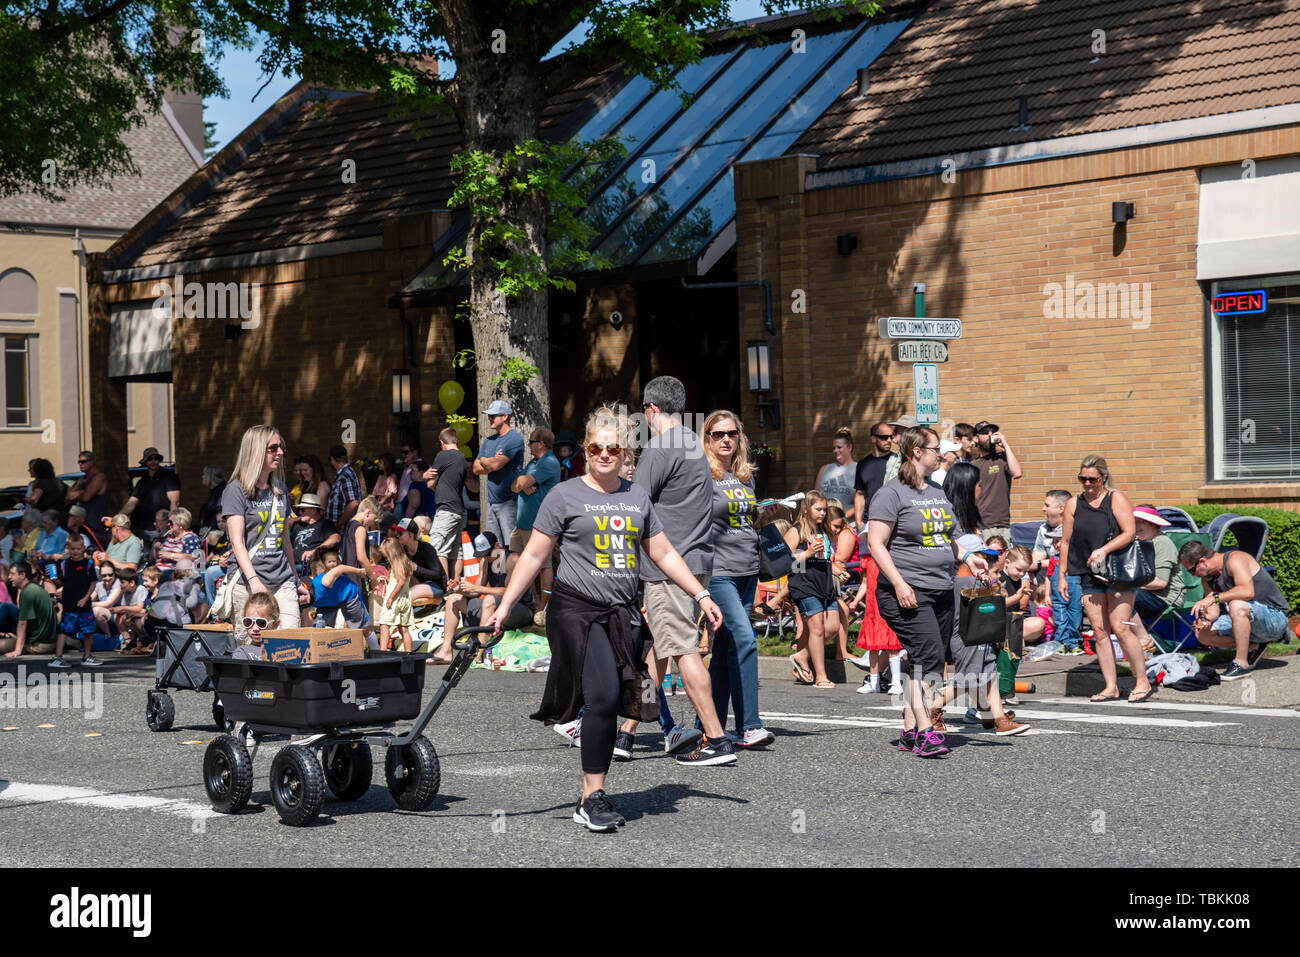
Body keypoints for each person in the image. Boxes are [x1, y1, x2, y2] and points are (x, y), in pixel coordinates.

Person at [485, 406, 725, 832]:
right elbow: (535, 555)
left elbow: (664, 552)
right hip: (575, 609)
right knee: (603, 694)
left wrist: (700, 592)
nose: (604, 454)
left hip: (619, 613)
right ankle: (592, 796)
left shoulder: (637, 497)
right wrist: (504, 606)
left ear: (624, 450)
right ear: (585, 449)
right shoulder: (564, 495)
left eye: (613, 447)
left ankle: (589, 791)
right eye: (596, 447)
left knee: (612, 699)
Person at [621, 375, 734, 764]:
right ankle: (627, 731)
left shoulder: (657, 449)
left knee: (683, 650)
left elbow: (634, 506)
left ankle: (717, 740)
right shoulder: (692, 445)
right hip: (698, 561)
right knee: (660, 651)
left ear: (651, 408)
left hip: (669, 565)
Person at [867, 426, 991, 758]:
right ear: (917, 452)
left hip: (940, 588)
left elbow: (944, 537)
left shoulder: (937, 491)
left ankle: (909, 728)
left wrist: (968, 557)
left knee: (925, 661)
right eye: (936, 449)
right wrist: (899, 583)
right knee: (930, 658)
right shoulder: (891, 494)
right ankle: (925, 731)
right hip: (906, 591)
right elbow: (876, 544)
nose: (942, 454)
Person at [932, 462, 1028, 735]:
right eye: (977, 485)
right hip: (964, 590)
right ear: (966, 487)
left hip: (973, 587)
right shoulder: (949, 518)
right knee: (974, 659)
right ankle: (932, 706)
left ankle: (995, 717)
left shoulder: (965, 519)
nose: (981, 489)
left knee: (984, 658)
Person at [700, 409, 775, 747]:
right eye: (718, 434)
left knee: (727, 647)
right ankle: (750, 725)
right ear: (708, 439)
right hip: (718, 573)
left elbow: (746, 523)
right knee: (745, 639)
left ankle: (712, 725)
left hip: (747, 570)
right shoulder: (702, 475)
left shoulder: (745, 476)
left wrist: (764, 516)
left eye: (732, 433)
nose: (726, 439)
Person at [1057, 454, 1152, 703]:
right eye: (1082, 479)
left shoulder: (1115, 498)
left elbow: (1129, 532)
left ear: (1103, 477)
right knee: (1099, 631)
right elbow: (1065, 542)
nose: (1087, 484)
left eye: (1092, 479)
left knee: (1120, 627)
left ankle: (1142, 681)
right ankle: (1110, 686)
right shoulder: (1073, 504)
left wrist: (1104, 549)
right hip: (1088, 571)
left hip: (1118, 571)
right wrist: (1061, 576)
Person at [222, 424, 301, 641]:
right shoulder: (236, 491)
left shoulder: (281, 489)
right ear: (256, 450)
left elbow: (284, 539)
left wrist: (295, 578)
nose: (280, 453)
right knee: (252, 649)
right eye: (273, 448)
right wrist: (254, 581)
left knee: (290, 643)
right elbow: (237, 543)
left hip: (282, 578)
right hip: (247, 582)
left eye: (280, 447)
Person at [1180, 539, 1289, 680]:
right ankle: (1254, 646)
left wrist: (1215, 597)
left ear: (1203, 561)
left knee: (1237, 605)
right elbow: (1213, 609)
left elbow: (1247, 592)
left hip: (1274, 619)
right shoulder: (1207, 578)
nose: (1192, 575)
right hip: (1244, 617)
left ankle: (1241, 664)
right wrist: (1205, 620)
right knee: (1202, 635)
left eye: (1192, 570)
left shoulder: (1235, 559)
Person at [437, 531, 533, 661]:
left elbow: (510, 592)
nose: (486, 558)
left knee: (488, 600)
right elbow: (476, 592)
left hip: (520, 608)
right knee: (453, 599)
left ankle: (478, 653)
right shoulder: (485, 562)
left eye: (488, 553)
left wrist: (477, 588)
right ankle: (446, 650)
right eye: (483, 555)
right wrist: (460, 589)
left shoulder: (512, 559)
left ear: (497, 545)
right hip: (496, 607)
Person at [786, 490, 837, 688]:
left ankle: (802, 655)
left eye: (825, 509)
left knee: (832, 627)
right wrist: (807, 553)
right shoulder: (796, 530)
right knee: (816, 629)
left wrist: (835, 568)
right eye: (818, 509)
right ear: (806, 509)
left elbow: (825, 557)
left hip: (824, 582)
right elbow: (785, 561)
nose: (823, 513)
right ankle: (821, 677)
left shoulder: (822, 531)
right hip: (804, 583)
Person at [510, 427, 560, 598]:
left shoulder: (550, 462)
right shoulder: (533, 463)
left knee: (543, 565)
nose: (529, 445)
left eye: (531, 442)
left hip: (539, 523)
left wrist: (523, 484)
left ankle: (543, 604)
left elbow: (520, 483)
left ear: (541, 444)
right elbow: (514, 485)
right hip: (522, 524)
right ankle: (532, 600)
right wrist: (522, 485)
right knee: (520, 561)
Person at [475, 399, 526, 547]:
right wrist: (489, 461)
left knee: (512, 546)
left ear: (505, 416)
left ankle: (513, 571)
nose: (490, 418)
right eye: (489, 416)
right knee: (494, 547)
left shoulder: (514, 438)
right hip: (491, 502)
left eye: (493, 415)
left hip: (509, 502)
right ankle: (501, 571)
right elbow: (475, 468)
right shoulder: (488, 441)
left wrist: (485, 460)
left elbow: (496, 465)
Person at [48, 536, 102, 668]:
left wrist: (85, 598)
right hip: (69, 604)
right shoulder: (63, 564)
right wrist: (56, 584)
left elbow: (93, 583)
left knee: (88, 630)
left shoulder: (88, 564)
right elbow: (61, 581)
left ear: (83, 548)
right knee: (64, 630)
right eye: (72, 549)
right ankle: (58, 658)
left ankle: (87, 656)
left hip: (84, 604)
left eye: (78, 548)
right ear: (68, 549)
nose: (75, 551)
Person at [423, 428, 469, 580]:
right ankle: (455, 584)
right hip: (459, 510)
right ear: (457, 441)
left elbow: (430, 481)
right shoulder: (462, 458)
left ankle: (443, 587)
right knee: (456, 550)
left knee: (437, 548)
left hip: (446, 509)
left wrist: (424, 475)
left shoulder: (443, 455)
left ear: (442, 443)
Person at [1129, 505, 1185, 624]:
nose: (1135, 526)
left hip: (1164, 599)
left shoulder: (1162, 543)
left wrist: (1126, 584)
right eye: (1133, 522)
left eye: (1140, 522)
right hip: (1146, 593)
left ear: (1153, 524)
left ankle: (1143, 638)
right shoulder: (1139, 543)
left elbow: (1160, 582)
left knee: (1122, 595)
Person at [970, 421, 1023, 543]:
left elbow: (1017, 473)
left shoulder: (1002, 458)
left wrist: (1006, 445)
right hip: (981, 525)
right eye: (985, 432)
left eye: (992, 432)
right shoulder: (973, 465)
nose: (990, 435)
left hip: (1001, 523)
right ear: (976, 439)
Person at [2, 561, 59, 656]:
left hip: (41, 645)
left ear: (23, 575)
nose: (9, 577)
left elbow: (22, 623)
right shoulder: (33, 588)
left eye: (12, 574)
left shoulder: (28, 592)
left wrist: (17, 650)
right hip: (47, 641)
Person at [302, 550, 371, 630]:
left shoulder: (324, 582)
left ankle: (371, 641)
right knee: (319, 625)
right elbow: (305, 622)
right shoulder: (303, 602)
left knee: (362, 628)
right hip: (328, 601)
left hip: (348, 595)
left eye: (333, 561)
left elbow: (340, 568)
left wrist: (359, 571)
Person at [122, 447, 181, 536]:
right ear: (145, 462)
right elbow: (131, 503)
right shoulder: (142, 481)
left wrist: (172, 524)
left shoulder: (169, 477)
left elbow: (174, 502)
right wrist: (116, 518)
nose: (153, 461)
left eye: (156, 458)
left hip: (163, 529)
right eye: (150, 459)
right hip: (144, 529)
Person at [375, 536, 416, 652]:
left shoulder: (397, 564)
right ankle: (409, 653)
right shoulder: (406, 562)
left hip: (395, 599)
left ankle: (382, 652)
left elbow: (401, 581)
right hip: (405, 599)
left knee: (384, 625)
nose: (386, 558)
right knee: (404, 629)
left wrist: (391, 597)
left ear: (392, 553)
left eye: (386, 555)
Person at [287, 493, 339, 575]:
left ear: (314, 510)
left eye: (303, 510)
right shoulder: (299, 525)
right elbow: (283, 523)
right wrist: (299, 518)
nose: (300, 512)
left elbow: (335, 538)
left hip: (311, 568)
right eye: (299, 510)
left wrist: (314, 551)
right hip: (293, 568)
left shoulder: (325, 524)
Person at [65, 451, 110, 531]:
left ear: (92, 462)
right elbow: (68, 497)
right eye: (79, 462)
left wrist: (78, 494)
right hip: (81, 524)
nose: (80, 464)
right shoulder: (82, 479)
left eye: (83, 461)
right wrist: (81, 492)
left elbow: (86, 497)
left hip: (95, 524)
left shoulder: (99, 477)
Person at [816, 427, 857, 510]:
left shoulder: (859, 469)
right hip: (825, 520)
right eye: (833, 448)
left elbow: (862, 501)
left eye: (839, 447)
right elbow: (816, 498)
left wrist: (842, 517)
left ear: (849, 447)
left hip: (848, 522)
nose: (835, 450)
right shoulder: (824, 469)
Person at [156, 508, 204, 574]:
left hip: (174, 574)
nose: (168, 524)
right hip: (157, 571)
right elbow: (157, 557)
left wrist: (170, 555)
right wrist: (156, 549)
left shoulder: (191, 538)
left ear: (181, 524)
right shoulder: (168, 536)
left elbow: (193, 558)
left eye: (171, 522)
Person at [233, 592, 279, 661]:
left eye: (261, 623)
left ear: (275, 624)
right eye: (248, 622)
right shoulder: (242, 652)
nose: (255, 628)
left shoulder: (284, 650)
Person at [324, 446, 360, 527]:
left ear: (332, 460)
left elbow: (353, 503)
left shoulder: (345, 476)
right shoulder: (345, 473)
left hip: (343, 528)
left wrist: (339, 523)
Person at [197, 465, 228, 532]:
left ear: (210, 476)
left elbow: (220, 512)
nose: (202, 477)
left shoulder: (222, 492)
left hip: (216, 532)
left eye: (204, 474)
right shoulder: (215, 492)